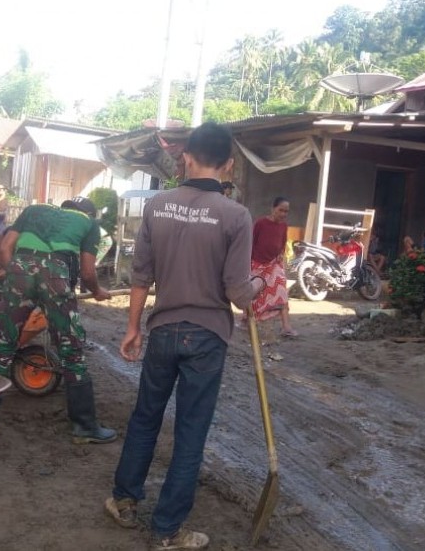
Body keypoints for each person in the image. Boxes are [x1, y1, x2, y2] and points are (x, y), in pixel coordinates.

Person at [104, 122, 264, 551]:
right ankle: (167, 531)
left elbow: (141, 275)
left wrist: (133, 326)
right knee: (191, 433)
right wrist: (258, 289)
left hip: (162, 331)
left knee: (145, 418)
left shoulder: (158, 206)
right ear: (229, 164)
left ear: (187, 158)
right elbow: (236, 291)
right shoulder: (235, 215)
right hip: (207, 336)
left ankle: (124, 500)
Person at [0, 197, 116, 444]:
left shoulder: (34, 210)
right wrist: (97, 291)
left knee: (3, 346)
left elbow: (3, 247)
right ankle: (84, 427)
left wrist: (15, 274)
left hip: (20, 269)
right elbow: (87, 272)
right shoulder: (89, 223)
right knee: (71, 350)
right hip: (56, 274)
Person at [249, 196, 296, 337]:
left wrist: (280, 255)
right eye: (281, 210)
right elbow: (250, 242)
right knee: (254, 294)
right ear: (273, 208)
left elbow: (282, 244)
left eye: (286, 211)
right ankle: (247, 319)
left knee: (281, 290)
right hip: (257, 265)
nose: (283, 214)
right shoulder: (260, 224)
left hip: (274, 264)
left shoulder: (284, 226)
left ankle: (286, 326)